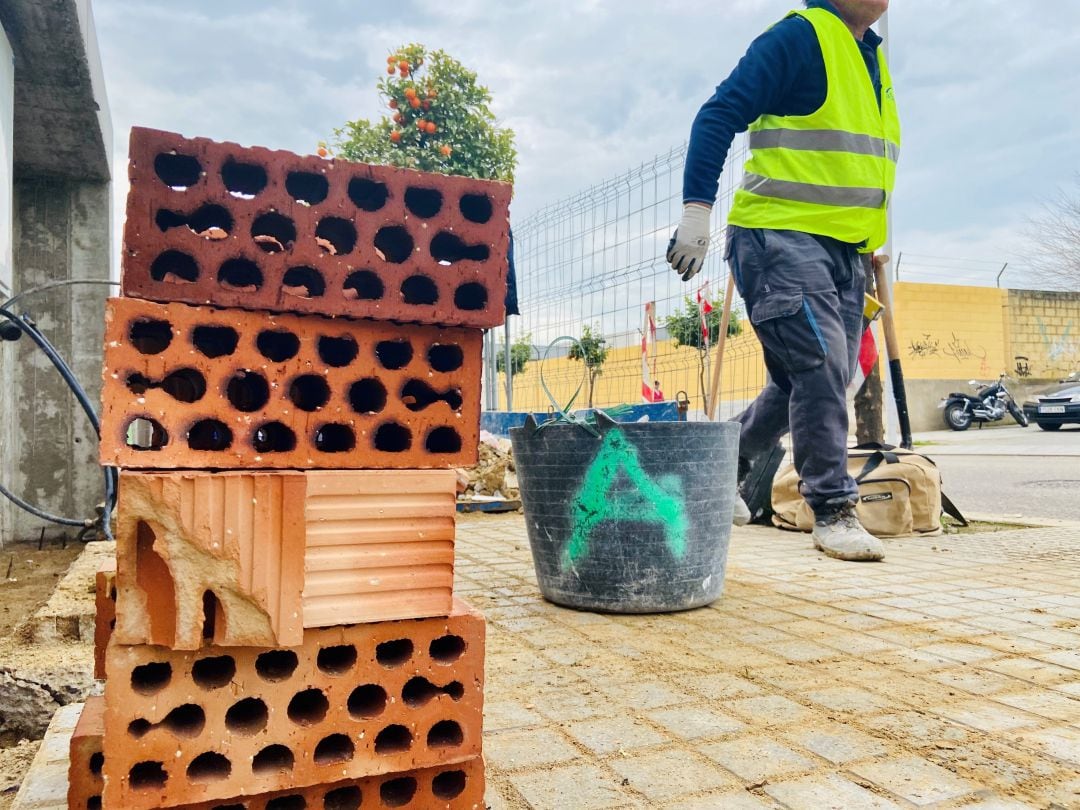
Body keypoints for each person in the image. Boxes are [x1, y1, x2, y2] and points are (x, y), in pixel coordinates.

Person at [666, 0, 899, 561]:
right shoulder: (800, 37)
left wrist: (866, 245)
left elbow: (854, 164)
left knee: (816, 377)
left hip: (845, 249)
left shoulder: (870, 58)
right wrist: (697, 213)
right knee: (818, 367)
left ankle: (722, 468)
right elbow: (718, 114)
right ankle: (833, 507)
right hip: (778, 236)